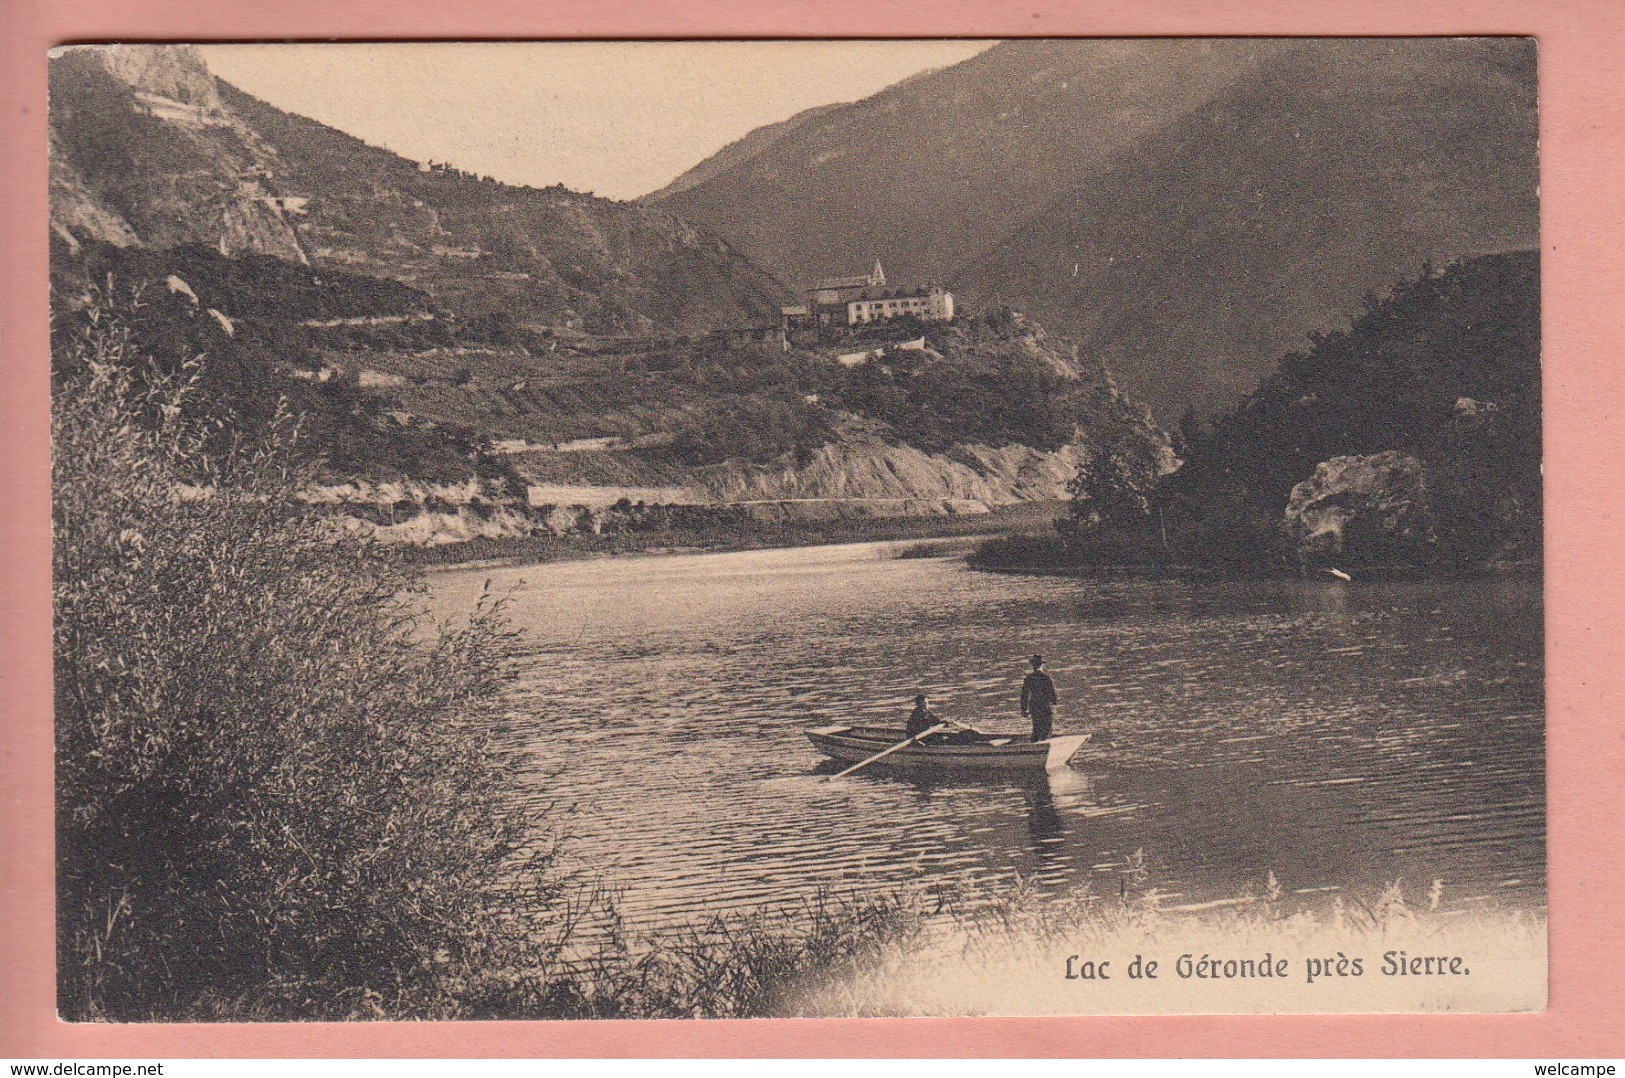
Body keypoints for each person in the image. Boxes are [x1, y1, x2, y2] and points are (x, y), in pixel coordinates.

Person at [1020, 655, 1058, 742]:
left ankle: (1034, 747)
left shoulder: (1029, 678)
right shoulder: (1046, 678)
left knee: (1036, 730)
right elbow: (1053, 696)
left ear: (1033, 666)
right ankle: (1044, 747)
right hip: (1046, 707)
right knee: (1046, 730)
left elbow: (1024, 695)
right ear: (1042, 665)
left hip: (1034, 707)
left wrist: (1024, 710)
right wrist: (1053, 703)